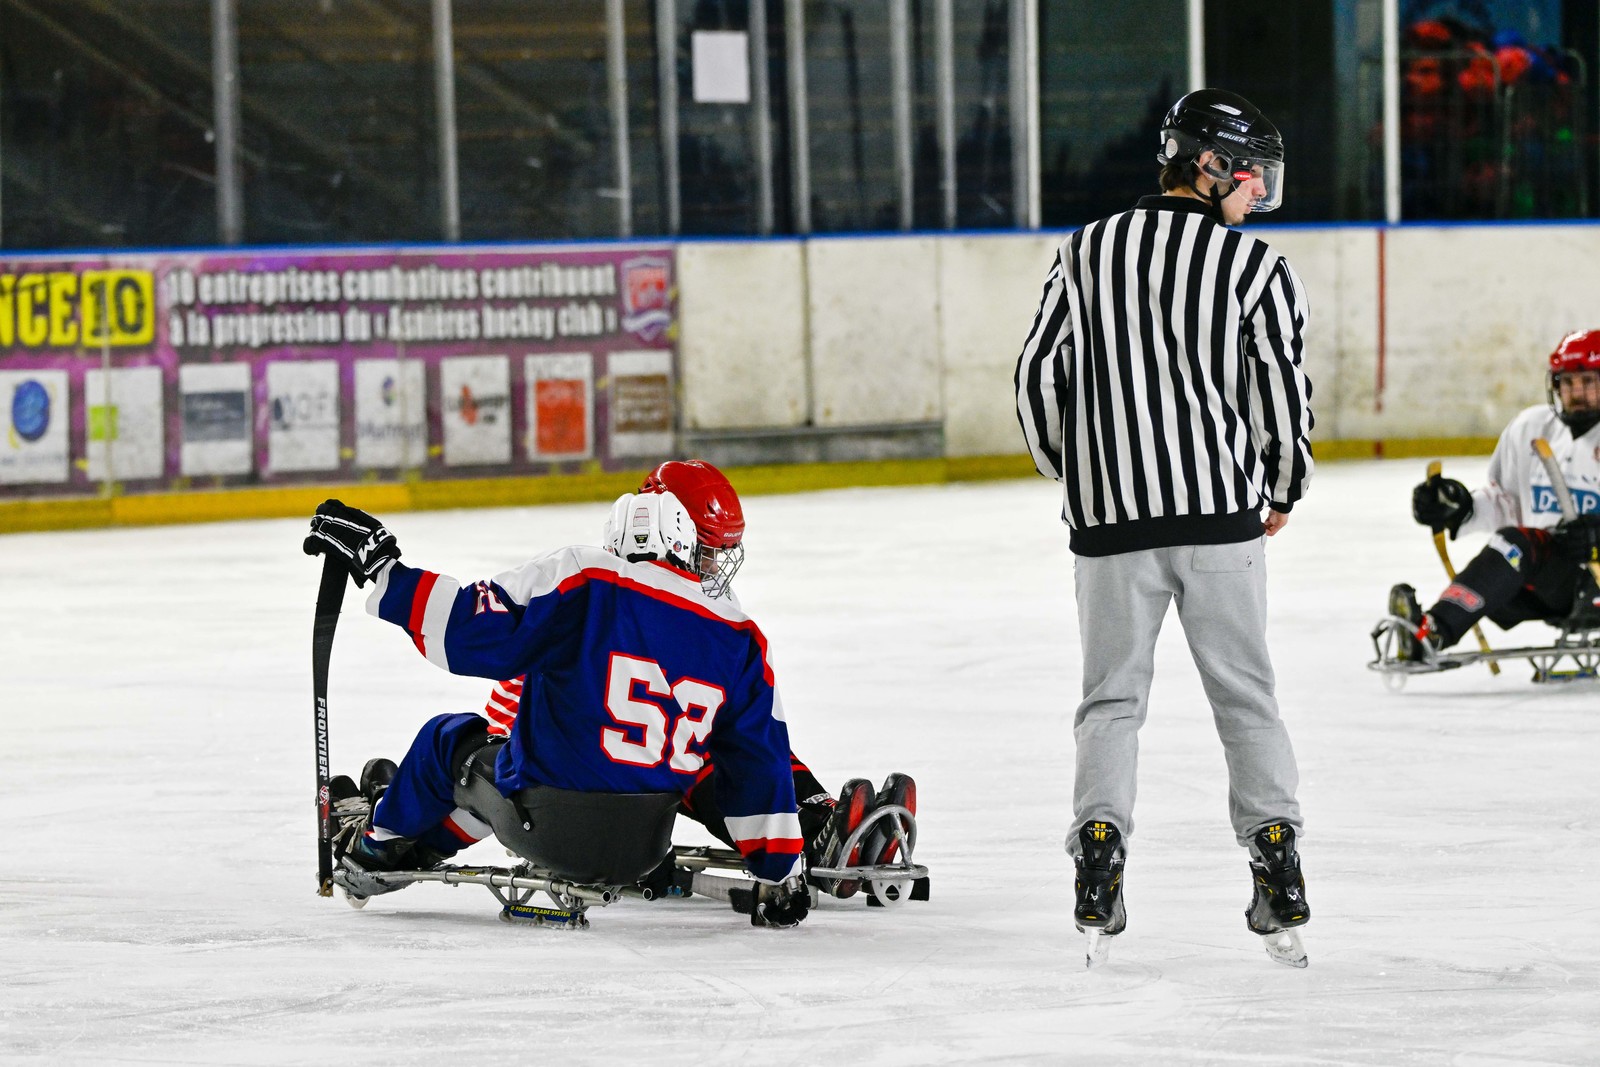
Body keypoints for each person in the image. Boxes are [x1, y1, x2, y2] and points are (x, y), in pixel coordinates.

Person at [303, 461, 911, 929]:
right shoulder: (740, 636)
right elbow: (758, 761)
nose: (715, 564)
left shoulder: (585, 579)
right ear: (677, 533)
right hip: (646, 839)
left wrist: (381, 568)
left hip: (546, 821)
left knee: (450, 744)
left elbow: (465, 631)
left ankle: (375, 849)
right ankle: (816, 819)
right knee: (711, 750)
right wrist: (781, 869)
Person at [1013, 88, 1315, 963]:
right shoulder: (1256, 268)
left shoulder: (1086, 249)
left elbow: (1037, 377)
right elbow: (1282, 394)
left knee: (1110, 701)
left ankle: (1098, 858)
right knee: (1245, 696)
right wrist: (1283, 486)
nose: (1258, 193)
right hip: (1223, 518)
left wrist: (1080, 473)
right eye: (1250, 174)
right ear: (1210, 163)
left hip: (1110, 523)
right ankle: (1277, 863)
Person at [1389, 330, 1600, 658]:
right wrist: (1462, 508)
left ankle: (1435, 633)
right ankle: (1431, 632)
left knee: (1520, 545)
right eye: (1567, 382)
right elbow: (1508, 502)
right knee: (1513, 546)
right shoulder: (1531, 428)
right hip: (1551, 577)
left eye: (1587, 382)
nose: (1576, 393)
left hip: (1595, 581)